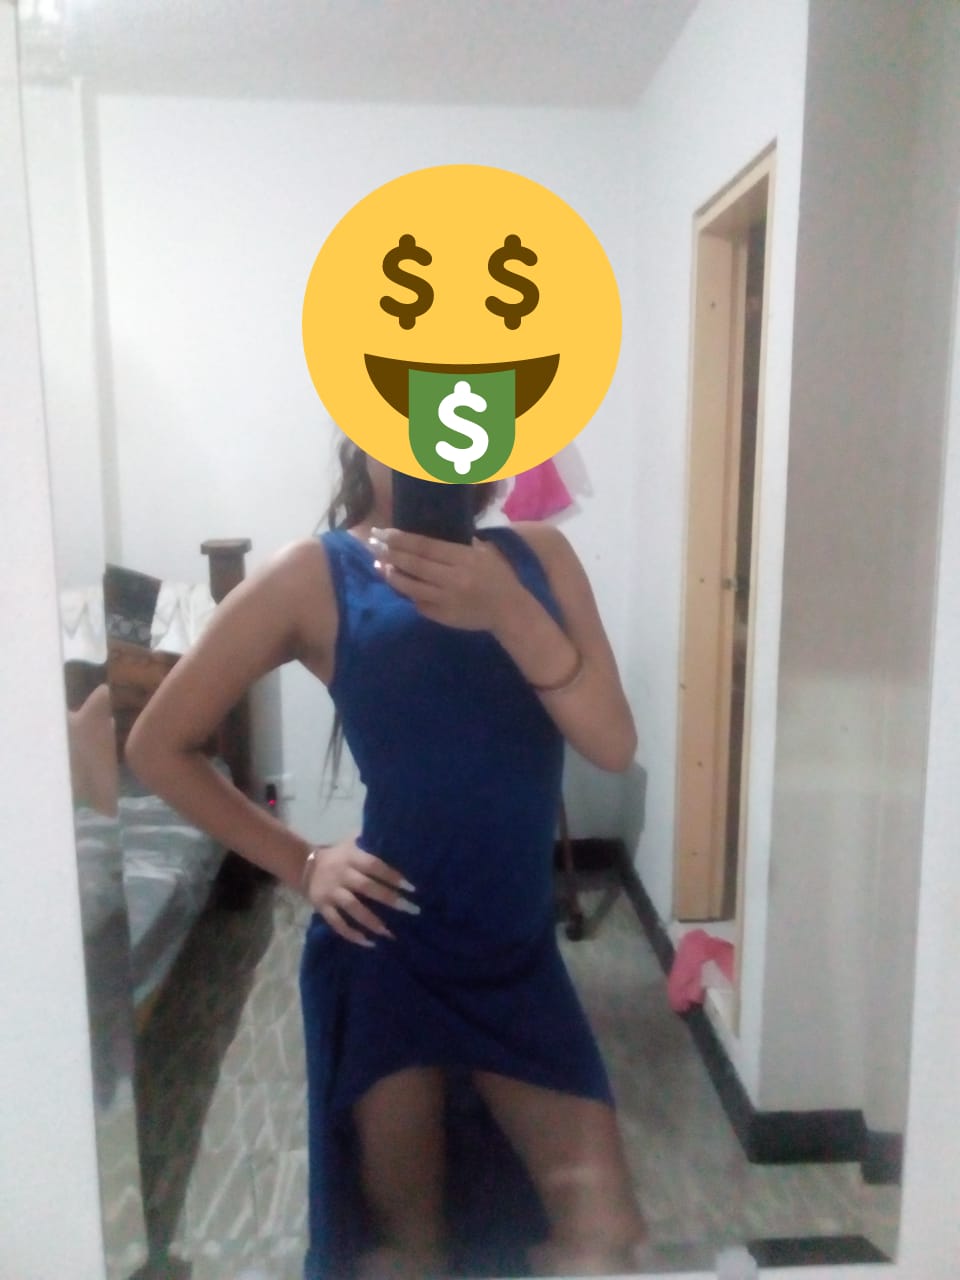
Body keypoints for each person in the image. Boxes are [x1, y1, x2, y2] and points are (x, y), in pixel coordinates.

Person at [127, 438, 647, 1279]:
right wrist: (303, 864)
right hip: (390, 945)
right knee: (409, 1248)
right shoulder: (315, 574)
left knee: (605, 1236)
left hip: (517, 955)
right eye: (411, 406)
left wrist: (507, 608)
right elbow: (158, 746)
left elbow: (613, 745)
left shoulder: (540, 556)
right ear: (366, 424)